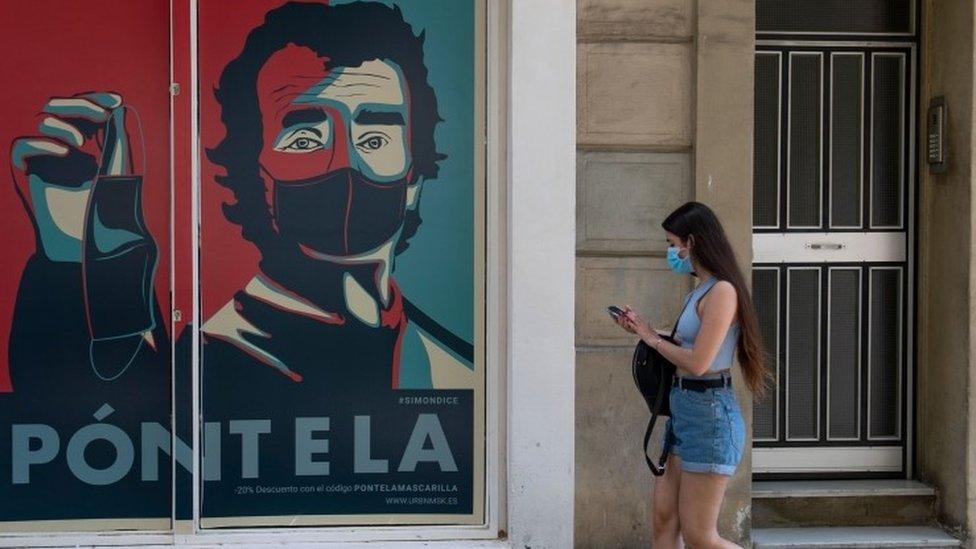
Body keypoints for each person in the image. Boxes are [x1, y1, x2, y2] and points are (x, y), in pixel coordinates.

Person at [613, 201, 767, 549]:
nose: (670, 252)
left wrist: (652, 339)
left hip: (709, 415)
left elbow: (699, 362)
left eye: (672, 244)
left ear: (692, 242)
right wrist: (643, 330)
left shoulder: (722, 292)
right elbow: (682, 343)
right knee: (664, 521)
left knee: (700, 536)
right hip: (686, 410)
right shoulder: (700, 289)